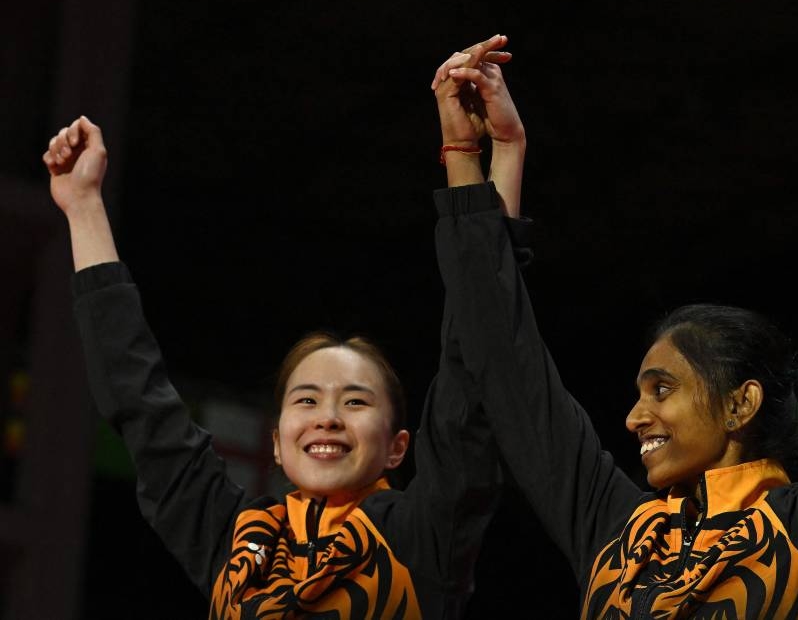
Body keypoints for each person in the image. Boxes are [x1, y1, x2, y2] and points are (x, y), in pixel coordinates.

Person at [431, 11, 798, 618]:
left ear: (742, 403)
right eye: (640, 393)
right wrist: (467, 154)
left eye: (662, 389)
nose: (635, 417)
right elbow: (507, 367)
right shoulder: (618, 533)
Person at [42, 104, 516, 616]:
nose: (327, 418)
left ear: (398, 447)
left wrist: (479, 156)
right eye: (306, 399)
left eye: (356, 401)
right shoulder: (236, 540)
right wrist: (84, 205)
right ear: (276, 441)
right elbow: (139, 399)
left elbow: (476, 363)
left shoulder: (423, 537)